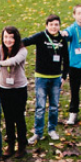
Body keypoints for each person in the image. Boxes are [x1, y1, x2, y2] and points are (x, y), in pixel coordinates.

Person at [22, 15, 70, 144]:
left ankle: (52, 129)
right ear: (46, 25)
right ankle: (38, 132)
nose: (54, 27)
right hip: (41, 78)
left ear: (59, 26)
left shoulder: (62, 39)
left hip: (56, 78)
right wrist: (11, 43)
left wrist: (64, 76)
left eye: (56, 24)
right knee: (40, 107)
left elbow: (66, 59)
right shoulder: (40, 36)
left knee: (54, 106)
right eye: (51, 24)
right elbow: (25, 41)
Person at [0, 27, 30, 159]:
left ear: (16, 38)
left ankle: (22, 145)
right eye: (6, 37)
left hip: (19, 88)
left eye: (11, 37)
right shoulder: (0, 49)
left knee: (19, 117)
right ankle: (11, 144)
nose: (8, 40)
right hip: (4, 88)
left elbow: (14, 61)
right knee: (8, 117)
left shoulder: (22, 50)